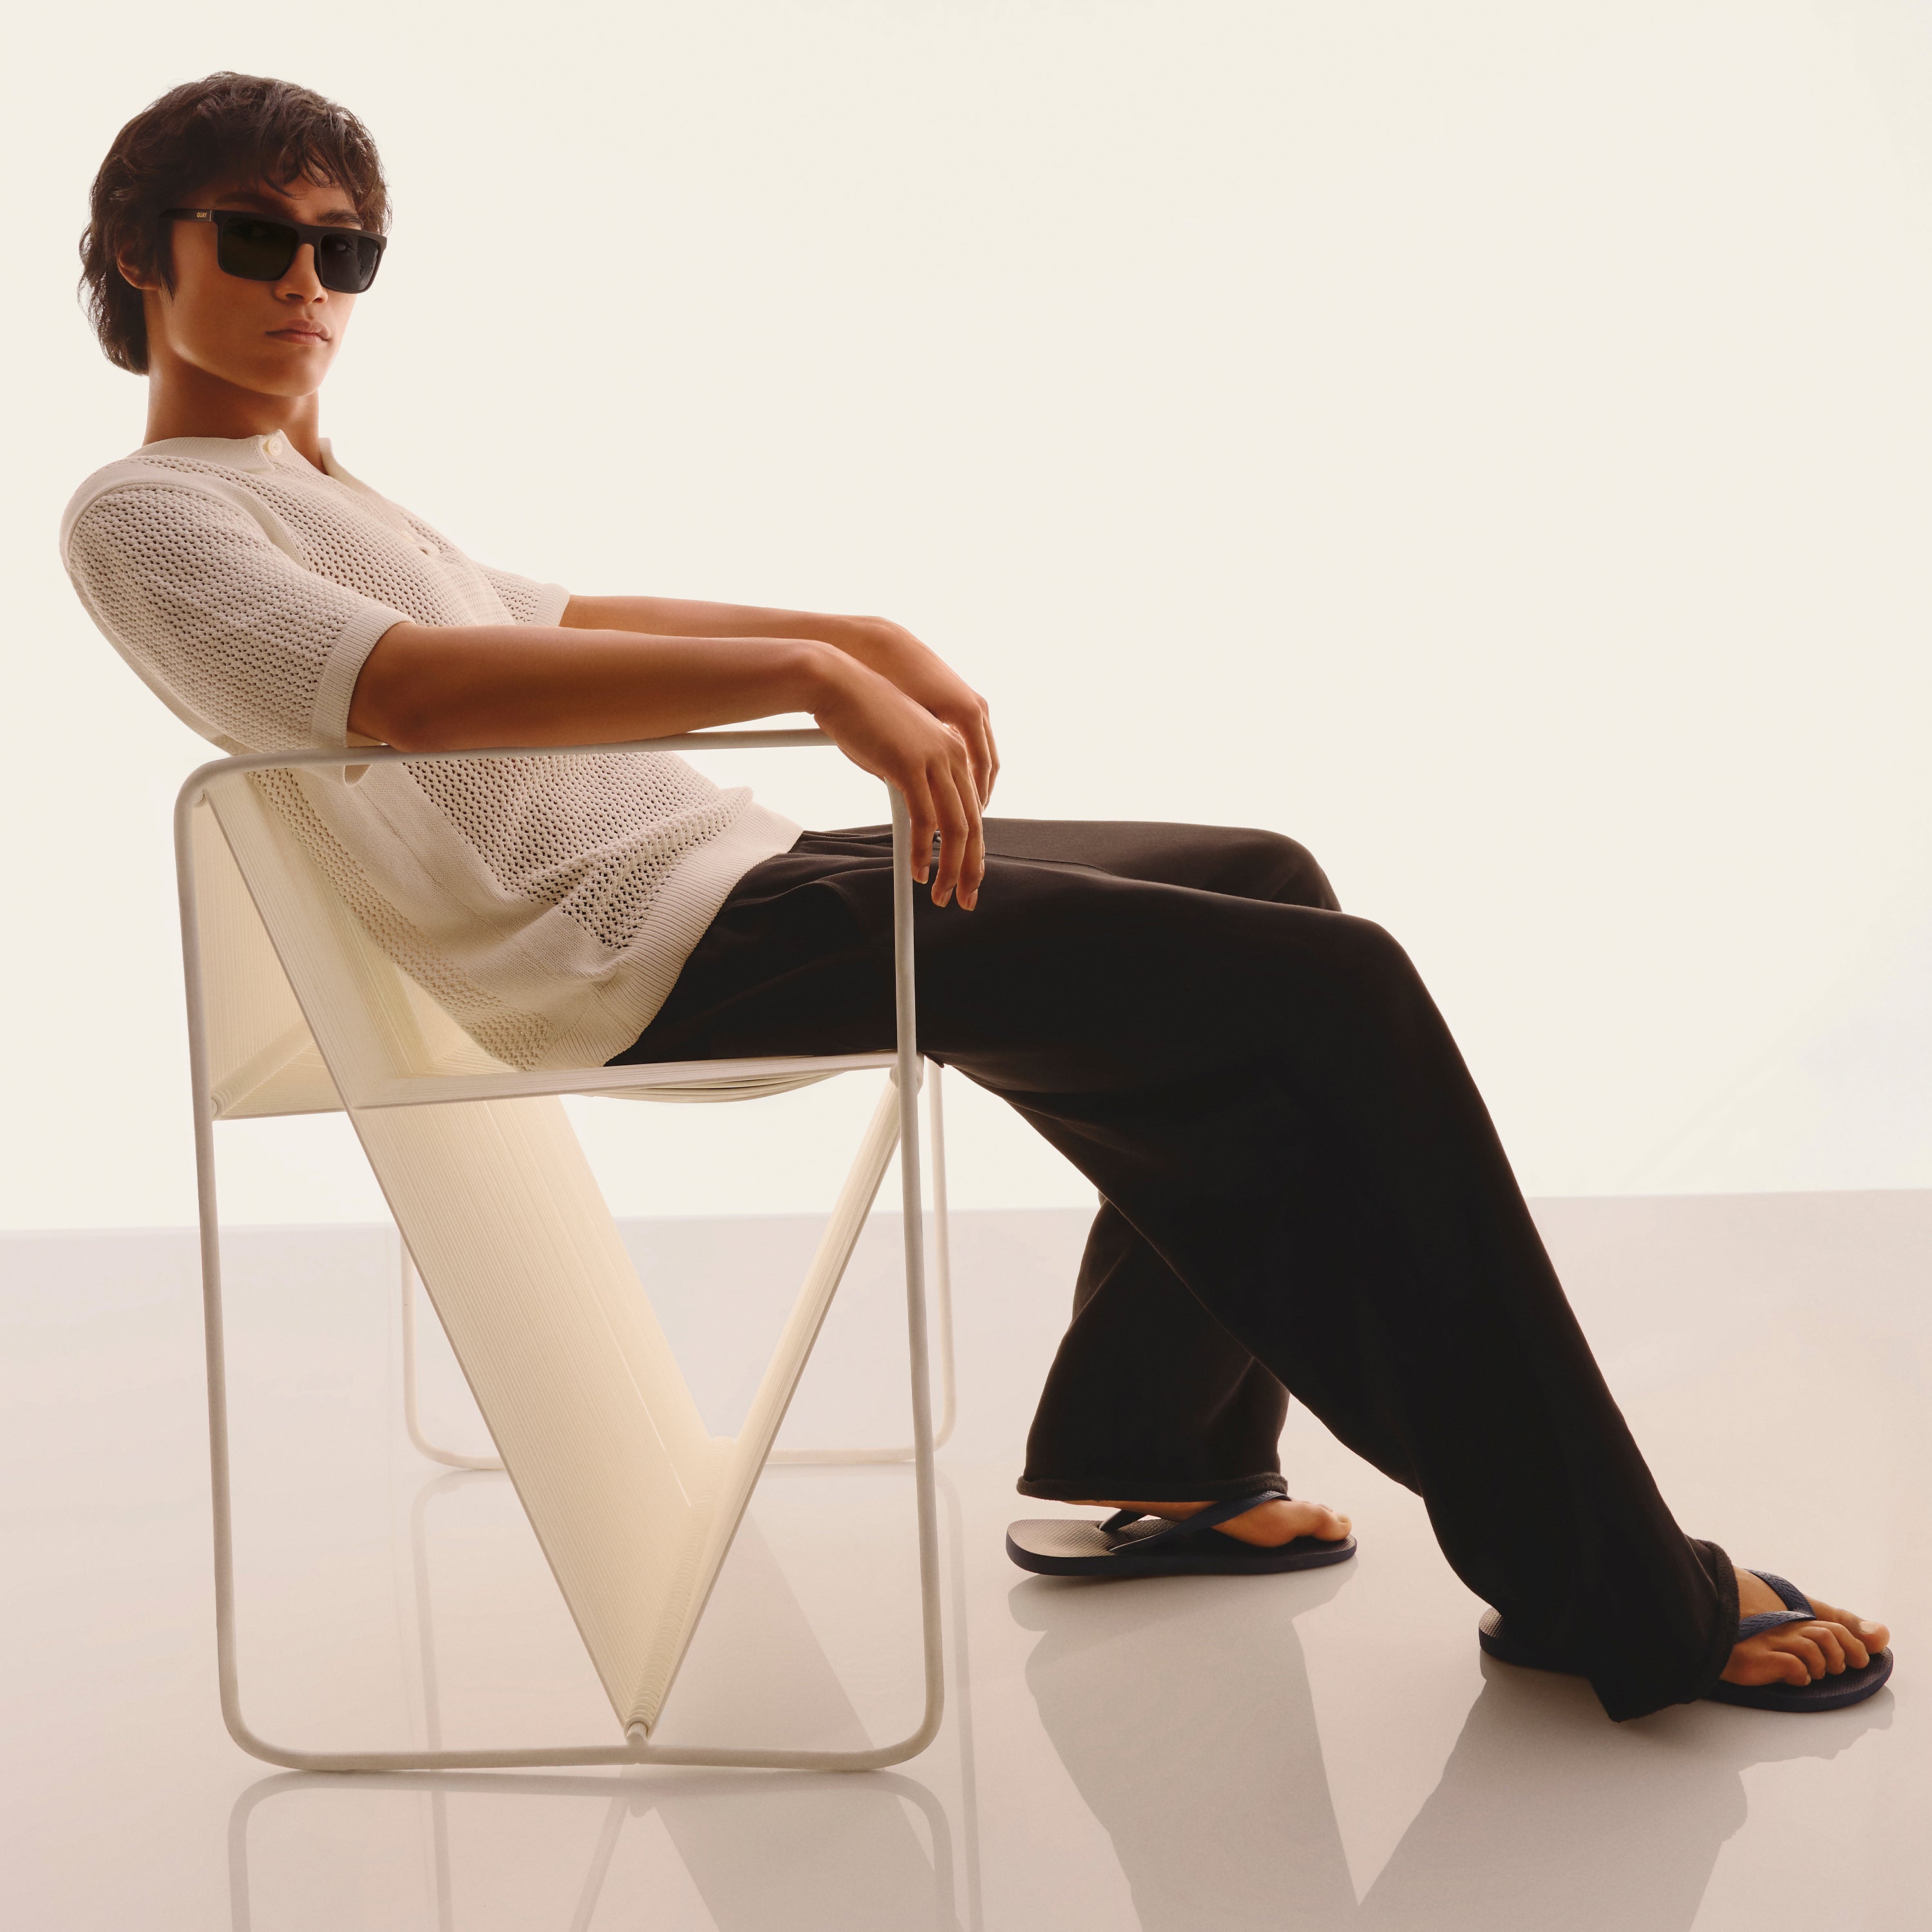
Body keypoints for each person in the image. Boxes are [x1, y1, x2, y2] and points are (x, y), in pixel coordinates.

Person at [64, 71, 1890, 1723]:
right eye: (262, 239)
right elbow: (409, 694)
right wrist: (809, 679)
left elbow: (552, 618)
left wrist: (847, 630)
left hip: (746, 875)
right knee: (1340, 993)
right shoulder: (148, 514)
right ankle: (1610, 1591)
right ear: (145, 255)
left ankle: (1158, 1460)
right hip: (656, 954)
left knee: (1266, 883)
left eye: (348, 249)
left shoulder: (313, 484)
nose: (313, 283)